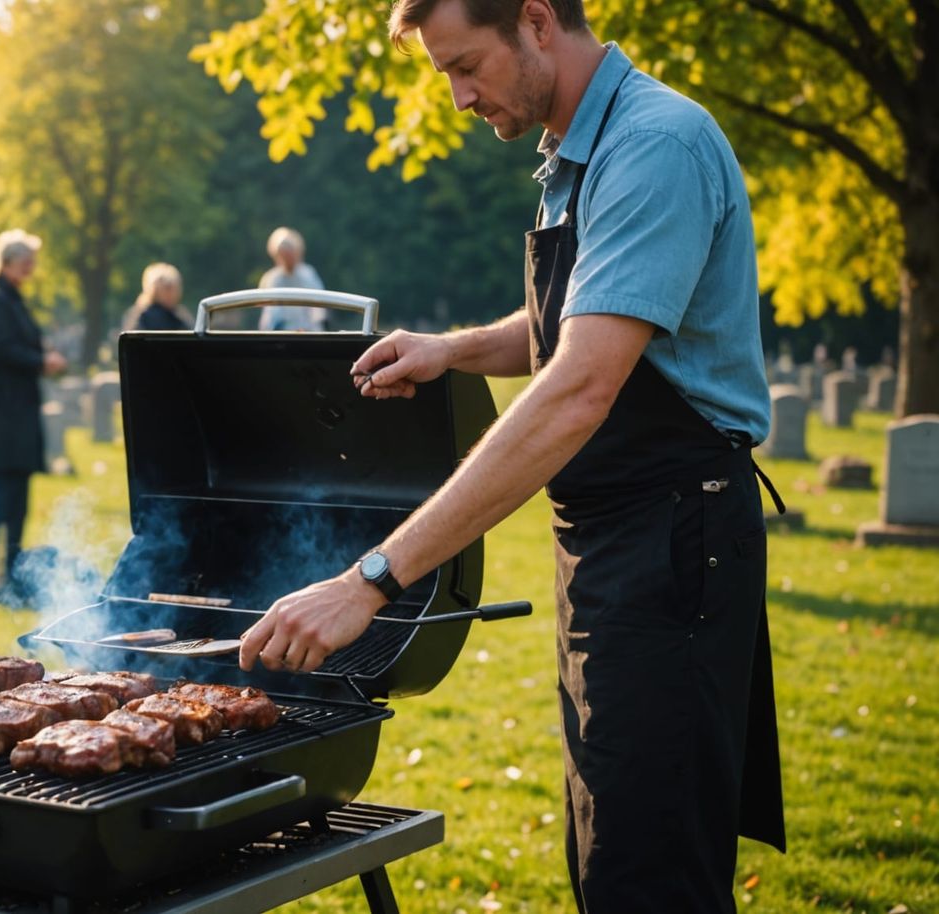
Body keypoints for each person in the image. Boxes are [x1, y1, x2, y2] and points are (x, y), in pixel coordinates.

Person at [237, 1, 786, 910]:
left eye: (464, 65)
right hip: (611, 544)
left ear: (536, 20)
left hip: (674, 542)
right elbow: (579, 329)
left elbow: (580, 384)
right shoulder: (577, 150)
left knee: (648, 872)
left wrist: (371, 580)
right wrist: (452, 351)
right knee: (609, 841)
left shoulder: (654, 146)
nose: (457, 98)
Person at [0, 228, 67, 593]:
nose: (31, 268)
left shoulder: (10, 299)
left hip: (17, 413)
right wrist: (42, 361)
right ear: (8, 262)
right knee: (1, 501)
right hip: (2, 415)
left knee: (18, 503)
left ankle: (10, 574)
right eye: (26, 262)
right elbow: (3, 349)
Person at [257, 227, 328, 331]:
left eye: (289, 252)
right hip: (283, 336)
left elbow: (318, 309)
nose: (287, 257)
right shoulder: (272, 278)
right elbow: (269, 314)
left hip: (309, 334)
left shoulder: (308, 274)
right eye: (283, 254)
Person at [121, 263, 190, 331]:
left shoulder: (179, 316)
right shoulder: (143, 317)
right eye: (167, 288)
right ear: (154, 290)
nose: (173, 293)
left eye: (175, 288)